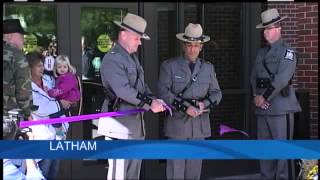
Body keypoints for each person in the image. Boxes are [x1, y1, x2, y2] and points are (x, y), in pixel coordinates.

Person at [97, 13, 166, 180]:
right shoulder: (113, 59)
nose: (140, 42)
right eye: (137, 38)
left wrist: (154, 99)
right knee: (118, 175)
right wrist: (150, 103)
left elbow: (141, 87)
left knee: (132, 175)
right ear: (123, 35)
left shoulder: (132, 58)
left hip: (134, 127)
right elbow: (123, 90)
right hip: (119, 126)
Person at [157, 23, 222, 180]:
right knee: (176, 172)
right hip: (177, 126)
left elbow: (217, 93)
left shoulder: (208, 68)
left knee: (194, 173)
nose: (193, 49)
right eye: (189, 45)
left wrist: (203, 104)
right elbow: (163, 92)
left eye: (196, 45)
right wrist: (185, 107)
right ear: (183, 45)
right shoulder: (169, 66)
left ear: (201, 47)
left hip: (199, 127)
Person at [250, 8, 301, 180]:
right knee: (265, 154)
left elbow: (281, 79)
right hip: (262, 109)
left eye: (269, 28)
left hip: (280, 108)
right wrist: (256, 97)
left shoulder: (288, 52)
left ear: (279, 28)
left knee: (282, 156)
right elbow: (253, 78)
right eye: (264, 29)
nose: (266, 32)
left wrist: (264, 97)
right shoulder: (261, 53)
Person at [26, 51, 72, 179]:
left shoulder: (49, 80)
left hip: (58, 135)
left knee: (54, 172)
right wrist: (60, 104)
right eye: (38, 66)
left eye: (42, 65)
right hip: (42, 137)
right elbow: (41, 108)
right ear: (29, 68)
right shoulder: (25, 87)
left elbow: (63, 93)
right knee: (43, 173)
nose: (42, 68)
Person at [3, 19, 33, 121]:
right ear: (10, 36)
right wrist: (27, 113)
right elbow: (23, 89)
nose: (23, 40)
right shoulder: (17, 56)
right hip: (7, 117)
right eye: (21, 36)